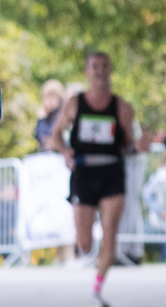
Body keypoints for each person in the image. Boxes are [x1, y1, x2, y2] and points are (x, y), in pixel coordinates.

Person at [49, 51, 136, 307]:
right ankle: (86, 249)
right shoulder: (74, 103)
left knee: (110, 233)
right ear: (87, 72)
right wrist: (65, 151)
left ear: (110, 70)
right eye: (94, 67)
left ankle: (96, 290)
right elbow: (55, 135)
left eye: (104, 66)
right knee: (84, 243)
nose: (99, 71)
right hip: (83, 174)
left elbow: (129, 146)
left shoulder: (122, 107)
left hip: (111, 174)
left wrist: (139, 145)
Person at [35, 79, 65, 151]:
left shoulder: (62, 117)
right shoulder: (43, 119)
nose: (47, 101)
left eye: (52, 96)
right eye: (46, 97)